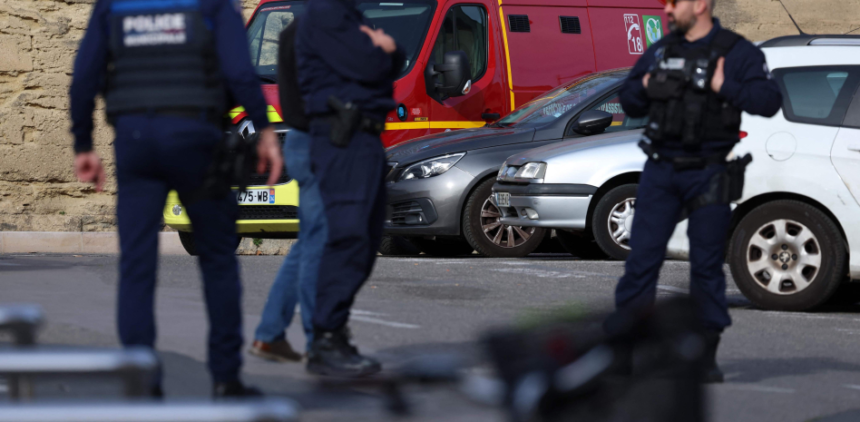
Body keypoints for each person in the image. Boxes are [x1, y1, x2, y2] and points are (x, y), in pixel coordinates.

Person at [69, 0, 283, 396]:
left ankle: (139, 379)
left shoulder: (114, 6)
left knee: (137, 262)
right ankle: (225, 378)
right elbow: (238, 71)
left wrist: (83, 142)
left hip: (135, 141)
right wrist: (265, 129)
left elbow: (85, 75)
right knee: (217, 259)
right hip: (194, 137)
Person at [615, 0, 782, 382]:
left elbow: (769, 101)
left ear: (701, 4)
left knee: (706, 266)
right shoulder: (661, 50)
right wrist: (643, 85)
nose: (667, 10)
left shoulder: (737, 51)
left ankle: (704, 354)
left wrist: (725, 85)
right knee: (641, 262)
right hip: (661, 168)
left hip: (709, 170)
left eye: (675, 3)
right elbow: (628, 98)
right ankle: (626, 350)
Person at [296, 0, 405, 377]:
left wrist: (384, 49)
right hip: (343, 135)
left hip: (364, 135)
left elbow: (394, 60)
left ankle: (334, 334)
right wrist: (381, 47)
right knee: (348, 235)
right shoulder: (326, 11)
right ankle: (326, 339)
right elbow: (371, 64)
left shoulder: (348, 13)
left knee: (365, 235)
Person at [250, 18, 327, 362]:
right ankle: (319, 343)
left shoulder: (292, 30)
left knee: (311, 241)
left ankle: (270, 334)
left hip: (300, 138)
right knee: (319, 244)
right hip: (321, 141)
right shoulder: (326, 31)